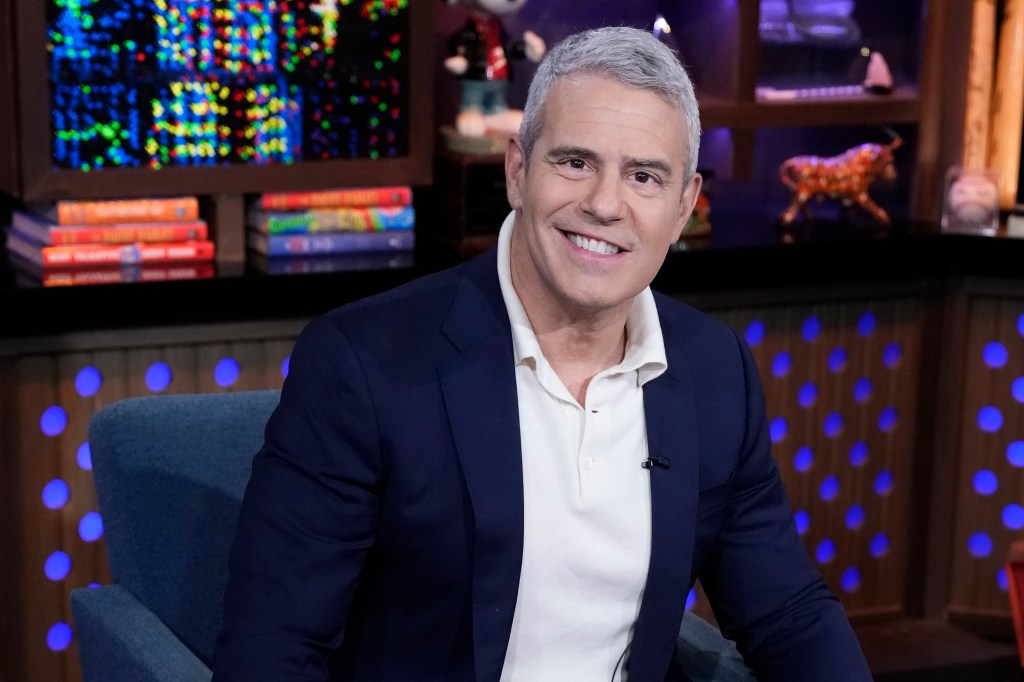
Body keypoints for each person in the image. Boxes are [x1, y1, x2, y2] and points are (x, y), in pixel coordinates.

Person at [213, 26, 873, 681]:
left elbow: (788, 615)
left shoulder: (715, 370)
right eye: (575, 163)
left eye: (644, 176)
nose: (604, 205)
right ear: (518, 172)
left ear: (683, 208)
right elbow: (272, 649)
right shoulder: (363, 363)